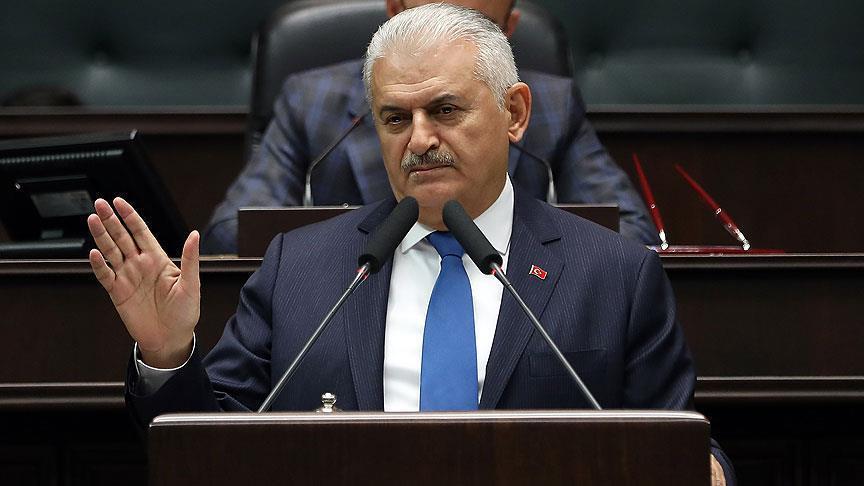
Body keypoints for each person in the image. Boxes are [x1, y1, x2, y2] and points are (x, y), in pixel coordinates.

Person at [87, 4, 732, 484]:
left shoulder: (614, 273)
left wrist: (706, 472)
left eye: (445, 110)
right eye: (395, 118)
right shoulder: (301, 269)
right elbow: (209, 452)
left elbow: (682, 443)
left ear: (514, 113)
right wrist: (167, 354)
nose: (418, 139)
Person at [201, 0, 658, 254]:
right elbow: (231, 233)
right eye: (428, 23)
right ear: (394, 11)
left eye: (473, 29)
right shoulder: (313, 100)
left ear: (509, 30)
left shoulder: (550, 104)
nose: (420, 138)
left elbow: (629, 232)